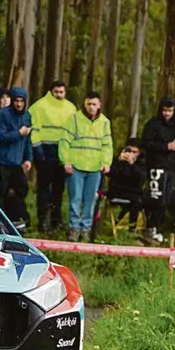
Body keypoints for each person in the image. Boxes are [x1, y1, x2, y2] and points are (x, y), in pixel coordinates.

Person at [59, 92, 113, 242]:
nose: (91, 107)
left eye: (94, 104)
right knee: (75, 199)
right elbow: (65, 141)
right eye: (89, 104)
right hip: (76, 166)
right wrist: (66, 161)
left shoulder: (104, 122)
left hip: (95, 168)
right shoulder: (74, 119)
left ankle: (86, 229)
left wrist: (106, 163)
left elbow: (107, 145)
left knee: (90, 201)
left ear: (99, 105)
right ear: (84, 104)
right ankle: (74, 228)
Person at [30, 81, 77, 233]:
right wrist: (38, 149)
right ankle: (43, 221)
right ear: (51, 91)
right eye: (56, 92)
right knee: (44, 188)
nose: (59, 95)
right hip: (44, 151)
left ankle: (56, 220)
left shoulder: (70, 107)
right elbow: (34, 129)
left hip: (62, 152)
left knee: (59, 188)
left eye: (62, 92)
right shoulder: (39, 106)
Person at [0, 87, 34, 228]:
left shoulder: (27, 116)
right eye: (16, 101)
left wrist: (28, 158)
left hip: (17, 162)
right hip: (2, 161)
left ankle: (13, 220)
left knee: (21, 190)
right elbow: (0, 136)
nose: (19, 104)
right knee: (0, 192)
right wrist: (18, 133)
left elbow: (28, 140)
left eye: (22, 101)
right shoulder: (2, 115)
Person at [141, 97, 175, 242]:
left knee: (167, 199)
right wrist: (165, 147)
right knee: (156, 198)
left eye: (170, 111)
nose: (167, 114)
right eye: (164, 110)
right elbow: (146, 143)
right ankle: (150, 227)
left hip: (171, 167)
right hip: (156, 166)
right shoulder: (152, 124)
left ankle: (158, 228)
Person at [108, 138, 147, 233]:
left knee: (148, 200)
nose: (131, 154)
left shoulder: (141, 163)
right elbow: (109, 173)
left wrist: (132, 164)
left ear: (139, 153)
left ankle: (148, 229)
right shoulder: (117, 160)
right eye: (129, 150)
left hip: (135, 192)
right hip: (117, 191)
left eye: (134, 152)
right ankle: (132, 229)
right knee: (137, 200)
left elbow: (142, 178)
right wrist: (118, 161)